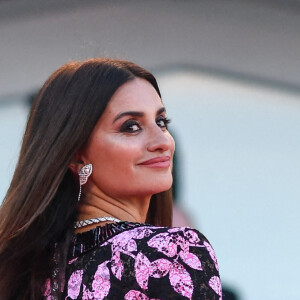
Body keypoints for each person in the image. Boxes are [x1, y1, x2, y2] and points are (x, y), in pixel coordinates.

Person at [0, 58, 222, 300]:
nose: (162, 142)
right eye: (130, 127)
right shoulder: (168, 250)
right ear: (76, 155)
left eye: (161, 122)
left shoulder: (32, 272)